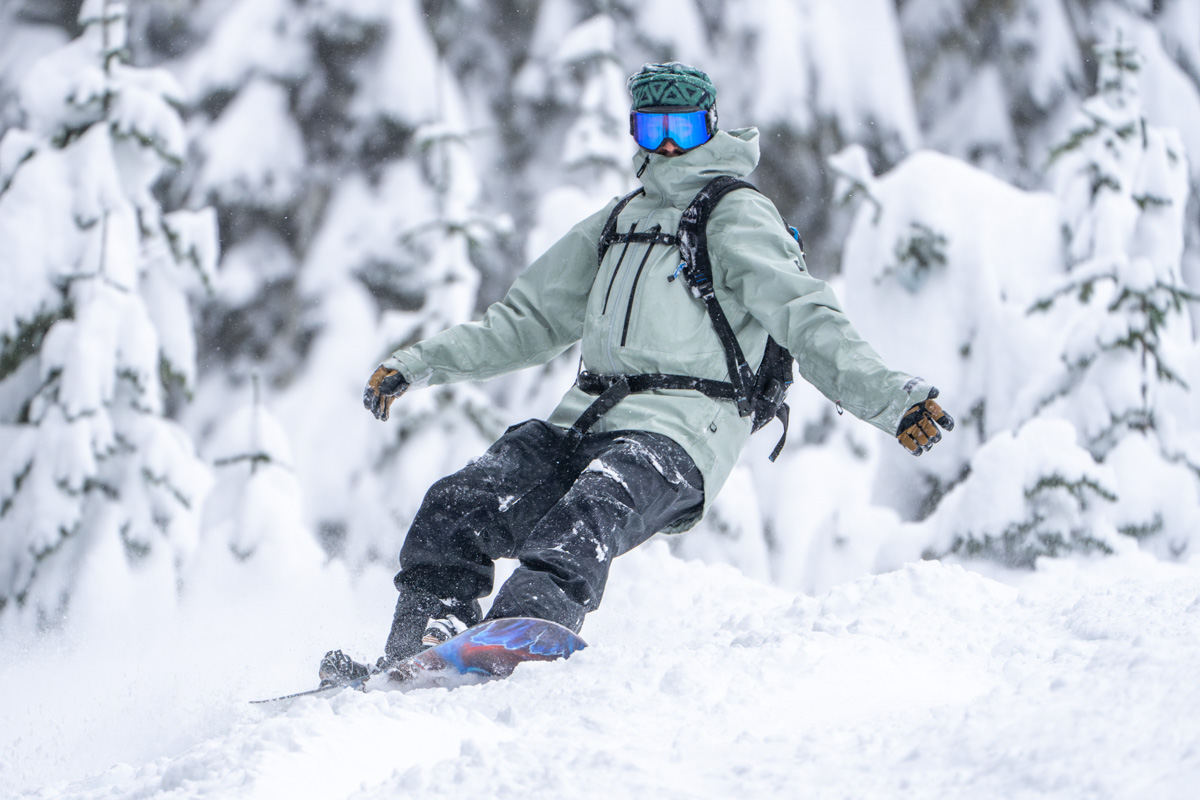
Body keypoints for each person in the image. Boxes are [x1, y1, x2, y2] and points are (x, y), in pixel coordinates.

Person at [322, 62, 952, 683]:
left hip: (682, 434)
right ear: (635, 134)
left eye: (682, 126)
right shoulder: (618, 223)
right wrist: (418, 364)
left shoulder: (735, 215)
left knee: (594, 502)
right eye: (654, 129)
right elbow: (523, 321)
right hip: (587, 421)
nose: (671, 144)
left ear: (710, 127)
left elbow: (806, 317)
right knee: (457, 503)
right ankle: (422, 647)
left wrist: (891, 401)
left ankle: (519, 637)